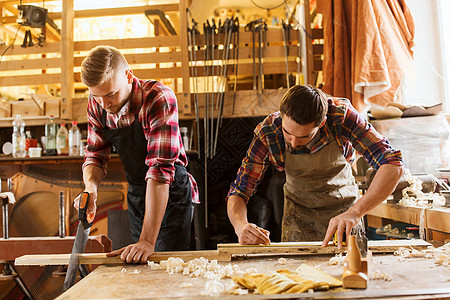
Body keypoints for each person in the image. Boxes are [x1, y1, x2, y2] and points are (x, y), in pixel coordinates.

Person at [226, 85, 403, 248]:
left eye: (304, 137)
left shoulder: (341, 117)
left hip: (345, 216)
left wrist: (356, 212)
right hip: (298, 220)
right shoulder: (268, 131)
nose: (294, 143)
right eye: (288, 134)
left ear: (322, 123)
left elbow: (392, 163)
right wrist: (241, 226)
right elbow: (239, 191)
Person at [74, 45, 199, 263]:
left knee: (167, 266)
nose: (104, 104)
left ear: (129, 76)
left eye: (111, 94)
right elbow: (95, 155)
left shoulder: (158, 98)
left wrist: (147, 241)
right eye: (97, 96)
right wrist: (91, 189)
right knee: (140, 264)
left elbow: (160, 171)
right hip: (138, 192)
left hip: (169, 191)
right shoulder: (98, 103)